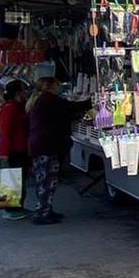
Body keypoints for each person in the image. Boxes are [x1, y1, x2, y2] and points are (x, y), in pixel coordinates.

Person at [26, 77, 91, 225]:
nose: (59, 87)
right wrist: (89, 102)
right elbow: (69, 108)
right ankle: (42, 212)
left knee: (46, 180)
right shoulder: (49, 100)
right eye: (57, 84)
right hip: (46, 146)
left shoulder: (40, 100)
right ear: (50, 86)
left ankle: (46, 209)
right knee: (47, 180)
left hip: (41, 144)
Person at [0, 80, 32, 221]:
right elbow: (6, 133)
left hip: (20, 148)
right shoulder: (10, 108)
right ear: (17, 92)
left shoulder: (16, 107)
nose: (25, 93)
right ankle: (12, 209)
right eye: (23, 91)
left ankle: (17, 207)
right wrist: (4, 153)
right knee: (15, 180)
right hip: (14, 150)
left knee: (19, 179)